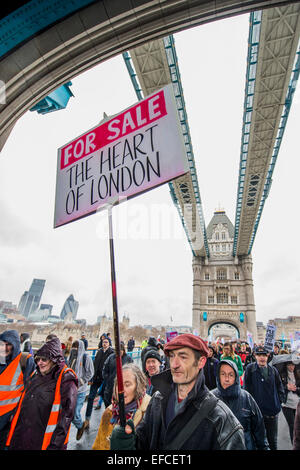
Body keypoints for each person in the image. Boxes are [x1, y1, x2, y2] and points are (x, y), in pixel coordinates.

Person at [109, 333, 246, 450]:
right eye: (172, 356)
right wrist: (127, 442)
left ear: (201, 362)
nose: (174, 364)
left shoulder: (222, 421)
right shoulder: (157, 400)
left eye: (183, 357)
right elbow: (143, 442)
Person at [6, 337, 78, 450]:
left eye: (44, 359)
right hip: (24, 437)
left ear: (54, 359)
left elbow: (67, 416)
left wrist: (55, 445)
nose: (40, 363)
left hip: (43, 441)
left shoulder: (65, 378)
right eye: (38, 359)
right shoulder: (36, 375)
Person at [212, 359, 269, 450]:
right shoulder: (211, 399)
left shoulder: (246, 398)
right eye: (223, 374)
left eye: (231, 375)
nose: (227, 379)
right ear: (218, 376)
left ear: (236, 377)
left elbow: (259, 428)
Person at [92, 363, 151, 450]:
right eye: (118, 385)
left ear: (139, 386)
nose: (122, 390)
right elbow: (98, 446)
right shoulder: (109, 412)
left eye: (127, 385)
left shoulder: (150, 411)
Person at [244, 345, 285, 450]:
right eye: (259, 355)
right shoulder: (250, 369)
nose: (262, 358)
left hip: (272, 413)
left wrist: (279, 402)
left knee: (273, 441)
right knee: (258, 441)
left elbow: (279, 386)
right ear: (255, 356)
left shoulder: (273, 370)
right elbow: (246, 389)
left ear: (268, 356)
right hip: (257, 413)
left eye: (264, 355)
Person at [0, 329, 36, 449]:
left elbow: (30, 391)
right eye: (2, 344)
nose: (4, 347)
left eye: (9, 344)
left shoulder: (25, 361)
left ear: (15, 345)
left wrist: (17, 414)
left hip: (9, 418)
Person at [81, 337, 114, 436]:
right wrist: (91, 378)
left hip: (105, 380)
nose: (104, 344)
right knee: (91, 397)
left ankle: (108, 420)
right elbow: (94, 365)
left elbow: (110, 368)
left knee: (106, 399)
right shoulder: (99, 352)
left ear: (109, 343)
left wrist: (108, 379)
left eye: (106, 342)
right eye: (103, 342)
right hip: (96, 378)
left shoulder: (111, 353)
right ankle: (87, 419)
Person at [68, 340, 94, 440]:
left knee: (75, 414)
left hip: (80, 391)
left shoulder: (86, 358)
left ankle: (80, 426)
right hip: (69, 390)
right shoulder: (70, 357)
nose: (74, 350)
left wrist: (81, 382)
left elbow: (91, 372)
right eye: (73, 347)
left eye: (76, 348)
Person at [102, 342, 133, 408]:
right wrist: (108, 379)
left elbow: (132, 372)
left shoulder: (128, 359)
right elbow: (105, 369)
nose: (118, 353)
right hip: (111, 385)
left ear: (123, 350)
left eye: (120, 351)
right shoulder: (111, 358)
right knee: (108, 403)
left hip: (123, 386)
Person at [278, 360, 300, 444]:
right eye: (290, 365)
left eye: (293, 365)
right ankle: (294, 443)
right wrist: (286, 387)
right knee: (292, 425)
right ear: (286, 365)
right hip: (286, 404)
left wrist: (295, 389)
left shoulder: (297, 374)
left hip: (297, 403)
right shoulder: (282, 374)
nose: (292, 367)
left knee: (297, 425)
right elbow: (278, 388)